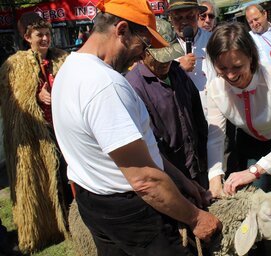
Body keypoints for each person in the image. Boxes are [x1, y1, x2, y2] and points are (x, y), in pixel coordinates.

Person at [51, 1, 221, 255]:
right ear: (121, 30)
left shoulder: (70, 70)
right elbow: (144, 179)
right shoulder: (105, 85)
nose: (141, 54)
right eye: (142, 45)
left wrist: (183, 181)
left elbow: (137, 152)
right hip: (132, 214)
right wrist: (196, 218)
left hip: (95, 202)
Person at [205, 22, 271, 256]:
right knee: (252, 201)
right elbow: (215, 137)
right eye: (222, 68)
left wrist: (254, 171)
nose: (230, 75)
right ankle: (254, 245)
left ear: (251, 57)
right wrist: (214, 177)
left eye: (237, 66)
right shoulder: (215, 89)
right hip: (250, 142)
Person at [0, 14, 71, 253]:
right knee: (43, 181)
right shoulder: (15, 66)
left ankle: (74, 220)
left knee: (67, 177)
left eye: (47, 34)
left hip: (64, 132)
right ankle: (47, 228)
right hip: (37, 136)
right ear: (26, 37)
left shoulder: (63, 59)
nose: (45, 38)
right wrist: (35, 97)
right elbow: (14, 105)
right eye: (39, 34)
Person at [125, 18, 209, 188]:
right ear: (142, 52)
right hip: (169, 177)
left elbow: (197, 116)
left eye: (169, 56)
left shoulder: (178, 73)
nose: (165, 62)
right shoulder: (134, 87)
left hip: (196, 168)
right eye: (158, 57)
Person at [165, 0, 213, 115]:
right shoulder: (164, 47)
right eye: (178, 17)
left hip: (214, 114)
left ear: (197, 15)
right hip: (184, 115)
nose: (184, 22)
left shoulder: (213, 40)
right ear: (170, 19)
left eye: (190, 16)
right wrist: (179, 70)